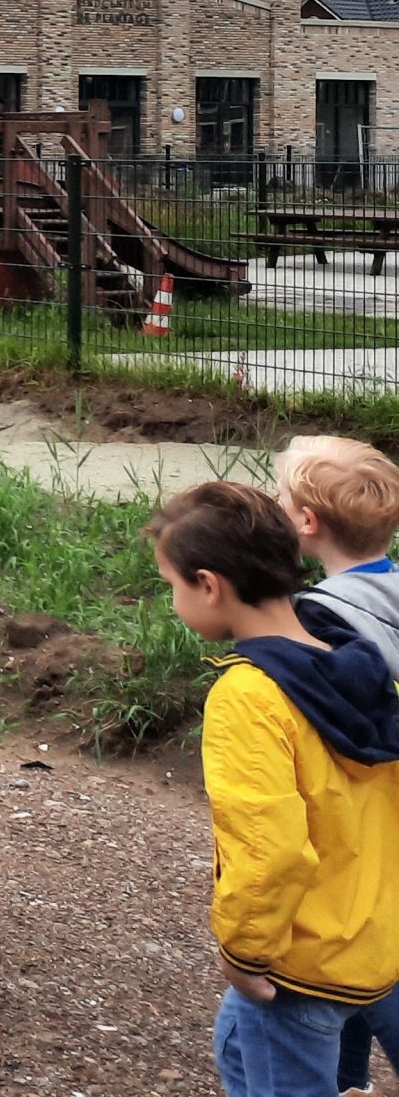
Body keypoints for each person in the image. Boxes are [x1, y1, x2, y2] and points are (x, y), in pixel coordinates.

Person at [149, 481, 399, 1097]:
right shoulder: (360, 664)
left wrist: (243, 952)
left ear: (209, 585)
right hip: (376, 943)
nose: (175, 601)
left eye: (172, 587)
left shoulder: (247, 694)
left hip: (294, 970)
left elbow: (271, 850)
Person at [276, 436, 399, 1095]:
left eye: (281, 497)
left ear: (306, 524)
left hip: (353, 819)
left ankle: (344, 1081)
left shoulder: (320, 617)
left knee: (360, 969)